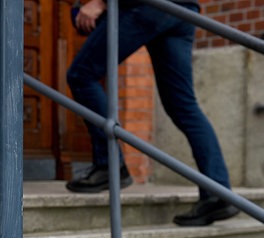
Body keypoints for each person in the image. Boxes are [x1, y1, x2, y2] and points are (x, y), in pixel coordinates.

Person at [65, 0, 239, 226]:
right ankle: (217, 193)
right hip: (182, 11)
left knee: (81, 75)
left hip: (147, 6)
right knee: (183, 106)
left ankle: (108, 165)